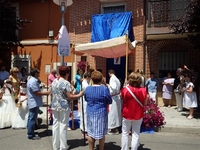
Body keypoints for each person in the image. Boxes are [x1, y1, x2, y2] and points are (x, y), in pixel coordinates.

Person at [51, 66, 84, 150]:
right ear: (66, 73)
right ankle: (63, 146)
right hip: (64, 106)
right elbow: (69, 96)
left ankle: (55, 145)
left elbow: (52, 93)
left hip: (55, 105)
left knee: (55, 125)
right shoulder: (66, 83)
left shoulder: (54, 81)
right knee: (63, 126)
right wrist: (79, 95)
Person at [84, 70, 112, 150]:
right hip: (101, 112)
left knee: (90, 132)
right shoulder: (104, 89)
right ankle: (101, 149)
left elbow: (86, 99)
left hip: (90, 111)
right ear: (101, 79)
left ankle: (91, 149)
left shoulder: (88, 89)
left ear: (92, 79)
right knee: (101, 133)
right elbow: (109, 100)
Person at [120, 72, 147, 150]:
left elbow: (121, 96)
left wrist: (125, 86)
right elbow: (145, 103)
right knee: (135, 134)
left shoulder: (125, 89)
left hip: (127, 113)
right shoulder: (143, 90)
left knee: (125, 133)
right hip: (138, 114)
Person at [27, 68, 50, 140]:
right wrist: (45, 93)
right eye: (38, 72)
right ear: (35, 73)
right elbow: (36, 93)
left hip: (34, 101)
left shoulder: (33, 80)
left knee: (31, 118)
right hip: (34, 102)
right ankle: (30, 134)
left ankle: (31, 130)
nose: (39, 73)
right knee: (32, 118)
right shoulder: (33, 81)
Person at [107, 69, 122, 135]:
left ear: (109, 73)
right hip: (117, 97)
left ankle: (114, 129)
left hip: (113, 97)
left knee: (113, 113)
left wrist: (108, 86)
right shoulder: (117, 79)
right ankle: (116, 127)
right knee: (117, 113)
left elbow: (113, 87)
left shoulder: (112, 78)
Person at [80, 72, 91, 137]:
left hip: (86, 100)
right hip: (84, 101)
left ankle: (85, 129)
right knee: (84, 115)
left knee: (85, 115)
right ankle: (84, 130)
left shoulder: (85, 82)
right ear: (87, 77)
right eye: (89, 78)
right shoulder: (84, 83)